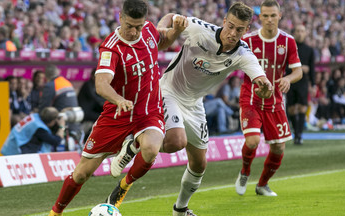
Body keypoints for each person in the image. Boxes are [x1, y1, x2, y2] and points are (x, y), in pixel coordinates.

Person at [109, 3, 273, 215]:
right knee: (177, 141)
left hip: (194, 104)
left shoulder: (243, 54)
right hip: (168, 91)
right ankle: (136, 142)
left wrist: (266, 88)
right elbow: (170, 16)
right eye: (230, 26)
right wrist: (162, 30)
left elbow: (261, 78)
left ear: (246, 30)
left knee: (199, 163)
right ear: (224, 22)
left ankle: (180, 209)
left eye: (239, 30)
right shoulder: (199, 29)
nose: (233, 33)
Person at [48, 0, 187, 215]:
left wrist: (175, 31)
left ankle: (122, 187)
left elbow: (163, 41)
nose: (133, 31)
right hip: (117, 115)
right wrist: (119, 100)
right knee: (81, 174)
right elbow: (101, 84)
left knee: (151, 149)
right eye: (129, 25)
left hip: (148, 111)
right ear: (120, 17)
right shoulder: (111, 47)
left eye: (138, 26)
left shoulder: (148, 31)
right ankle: (55, 211)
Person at [235, 0, 302, 197]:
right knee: (253, 140)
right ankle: (245, 172)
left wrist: (289, 79)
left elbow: (298, 71)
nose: (269, 19)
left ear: (279, 16)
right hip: (251, 97)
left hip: (275, 101)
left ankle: (262, 184)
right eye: (265, 16)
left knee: (279, 147)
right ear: (260, 17)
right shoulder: (247, 40)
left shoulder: (288, 41)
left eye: (273, 15)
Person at [39, 64, 82, 150]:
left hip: (59, 124)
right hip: (74, 123)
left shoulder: (50, 85)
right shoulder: (66, 82)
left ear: (46, 76)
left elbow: (44, 109)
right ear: (57, 72)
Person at [286, 24, 315, 145]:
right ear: (294, 33)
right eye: (298, 31)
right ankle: (296, 134)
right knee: (292, 109)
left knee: (302, 107)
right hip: (290, 81)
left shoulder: (309, 50)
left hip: (303, 82)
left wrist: (313, 85)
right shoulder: (289, 48)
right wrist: (300, 68)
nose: (300, 33)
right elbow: (284, 66)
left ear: (305, 33)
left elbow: (312, 69)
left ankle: (299, 135)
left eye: (302, 31)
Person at [1, 107, 65, 155]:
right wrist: (62, 126)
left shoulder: (35, 117)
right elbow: (56, 141)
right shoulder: (39, 128)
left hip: (10, 145)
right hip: (14, 151)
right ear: (52, 121)